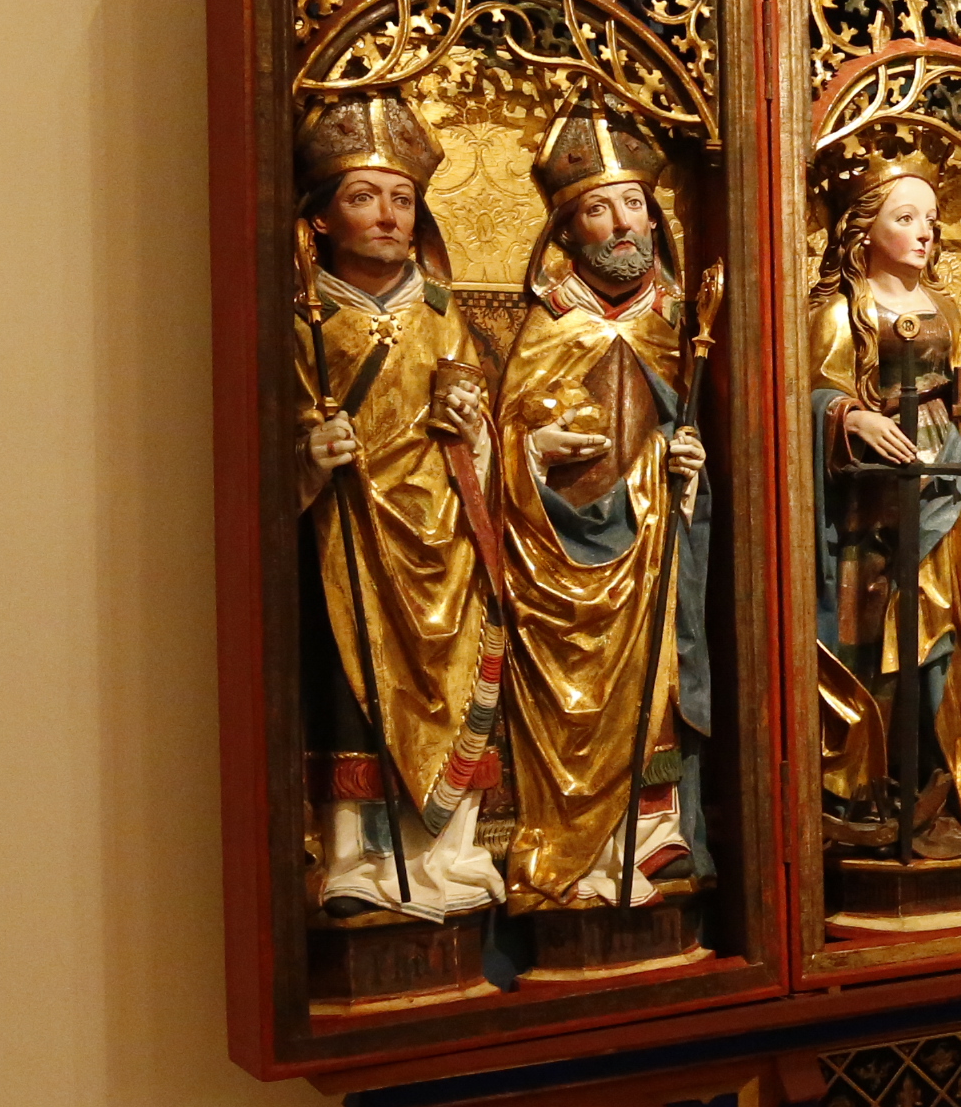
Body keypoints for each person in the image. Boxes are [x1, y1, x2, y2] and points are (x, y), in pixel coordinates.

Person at [491, 110, 713, 942]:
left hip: (656, 539)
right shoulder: (551, 323)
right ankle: (573, 847)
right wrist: (530, 453)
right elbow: (501, 445)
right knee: (574, 700)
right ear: (566, 228)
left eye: (634, 205)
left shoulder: (679, 323)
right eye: (598, 208)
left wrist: (688, 467)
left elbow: (705, 432)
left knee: (657, 686)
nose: (622, 224)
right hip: (563, 553)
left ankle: (653, 836)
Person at [290, 92, 507, 925]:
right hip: (347, 532)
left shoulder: (443, 315)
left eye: (402, 199)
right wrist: (308, 457)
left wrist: (471, 429)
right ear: (320, 218)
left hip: (443, 539)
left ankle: (446, 853)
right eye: (363, 196)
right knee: (348, 688)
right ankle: (353, 855)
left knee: (457, 682)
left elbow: (480, 428)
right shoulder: (303, 322)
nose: (387, 215)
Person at [808, 155, 961, 864]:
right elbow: (808, 393)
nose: (926, 232)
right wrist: (848, 417)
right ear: (862, 229)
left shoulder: (945, 309)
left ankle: (937, 787)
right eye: (906, 218)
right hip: (873, 505)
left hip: (946, 484)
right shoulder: (843, 311)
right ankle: (871, 791)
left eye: (931, 218)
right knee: (880, 647)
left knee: (941, 644)